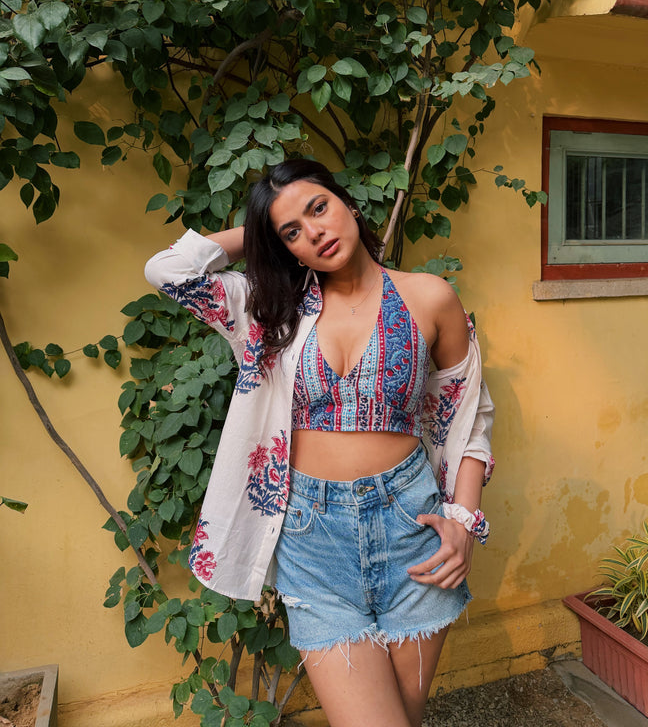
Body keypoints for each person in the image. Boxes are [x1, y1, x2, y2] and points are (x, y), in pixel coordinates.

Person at [145, 158, 495, 727]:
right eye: (292, 232)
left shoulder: (429, 297)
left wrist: (462, 518)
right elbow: (168, 270)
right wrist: (261, 236)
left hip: (413, 530)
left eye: (319, 207)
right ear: (285, 249)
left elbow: (469, 416)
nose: (315, 231)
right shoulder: (268, 310)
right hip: (313, 539)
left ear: (348, 203)